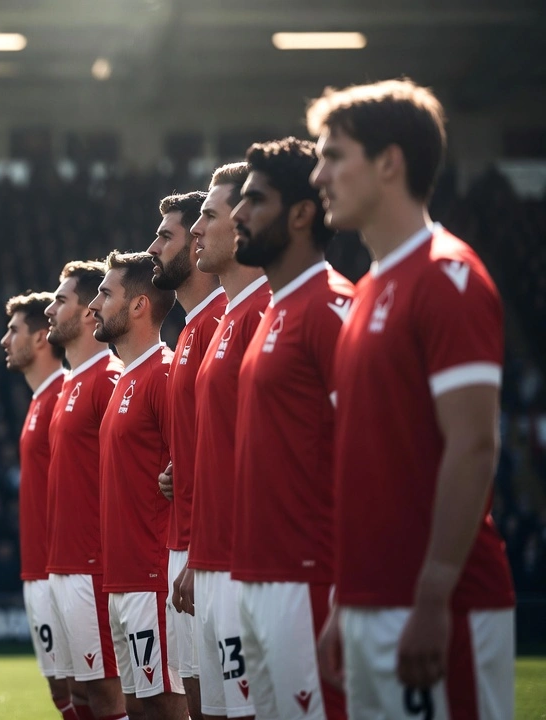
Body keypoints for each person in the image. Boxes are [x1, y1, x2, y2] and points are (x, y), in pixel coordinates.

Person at [309, 78, 516, 719]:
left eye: (334, 155)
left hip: (438, 608)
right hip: (371, 604)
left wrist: (432, 597)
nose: (319, 176)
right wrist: (347, 600)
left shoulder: (449, 276)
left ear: (389, 162)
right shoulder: (369, 289)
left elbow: (474, 445)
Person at [229, 137, 352, 720]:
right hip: (258, 579)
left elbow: (369, 458)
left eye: (256, 199)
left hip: (309, 580)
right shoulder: (276, 311)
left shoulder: (331, 309)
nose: (237, 214)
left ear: (302, 213)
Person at [173, 162, 270, 720]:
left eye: (206, 216)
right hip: (209, 562)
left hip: (246, 568)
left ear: (241, 224)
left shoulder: (264, 310)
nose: (195, 232)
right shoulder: (229, 317)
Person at [89, 251, 183, 720]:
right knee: (139, 710)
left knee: (165, 707)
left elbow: (191, 469)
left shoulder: (164, 374)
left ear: (139, 305)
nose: (94, 307)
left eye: (106, 294)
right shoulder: (126, 378)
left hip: (154, 577)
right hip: (122, 580)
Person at [146, 190, 222, 720]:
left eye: (166, 235)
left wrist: (198, 550)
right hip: (188, 543)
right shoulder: (192, 327)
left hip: (211, 549)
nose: (154, 247)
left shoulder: (223, 319)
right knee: (198, 702)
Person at [44, 261, 125, 720]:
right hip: (65, 563)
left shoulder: (109, 378)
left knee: (108, 697)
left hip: (93, 566)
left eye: (61, 300)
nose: (51, 310)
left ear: (90, 313)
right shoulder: (73, 382)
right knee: (79, 694)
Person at [1, 291, 69, 717]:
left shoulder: (63, 393)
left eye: (14, 331)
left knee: (89, 690)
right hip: (40, 569)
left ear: (43, 337)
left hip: (60, 569)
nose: (5, 340)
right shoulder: (41, 399)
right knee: (64, 692)